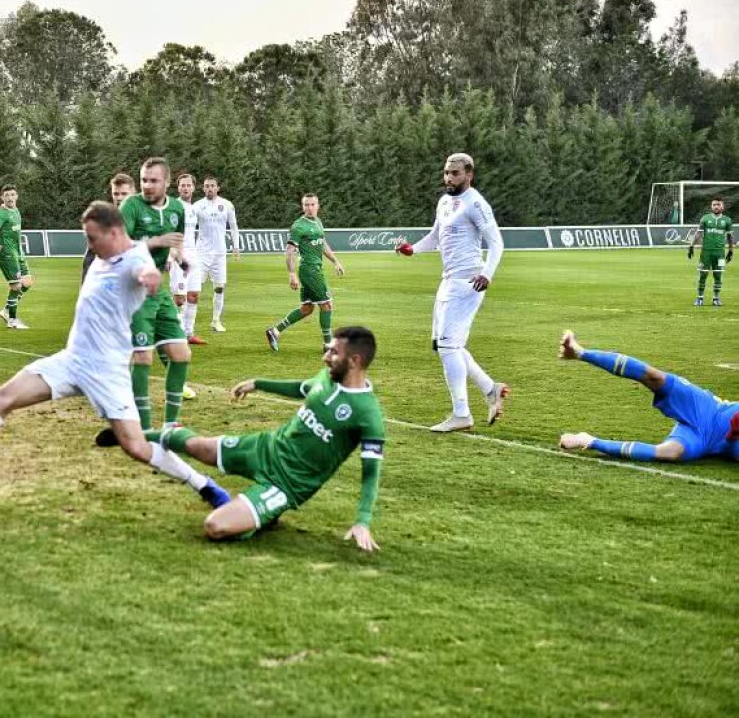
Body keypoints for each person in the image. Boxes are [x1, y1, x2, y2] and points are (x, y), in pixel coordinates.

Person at [0, 201, 231, 508]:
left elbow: (144, 270)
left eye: (93, 237)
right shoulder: (109, 255)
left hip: (106, 372)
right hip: (71, 361)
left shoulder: (135, 260)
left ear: (114, 233)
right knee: (3, 398)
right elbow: (147, 246)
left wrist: (151, 278)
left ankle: (204, 485)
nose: (89, 244)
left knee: (137, 447)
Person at [98, 326, 384, 550]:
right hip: (264, 448)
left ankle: (262, 517)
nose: (326, 357)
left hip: (285, 484)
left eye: (333, 353)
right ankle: (138, 435)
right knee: (196, 445)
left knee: (215, 526)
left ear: (355, 361)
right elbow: (302, 388)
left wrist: (363, 522)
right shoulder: (327, 377)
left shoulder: (367, 414)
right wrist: (258, 384)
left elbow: (370, 473)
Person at [395, 153, 508, 432]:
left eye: (454, 173)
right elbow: (435, 236)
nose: (448, 178)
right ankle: (490, 388)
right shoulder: (445, 202)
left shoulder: (477, 204)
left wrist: (487, 274)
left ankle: (462, 413)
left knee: (448, 346)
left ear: (469, 174)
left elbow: (497, 243)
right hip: (448, 281)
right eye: (446, 173)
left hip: (468, 282)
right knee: (447, 346)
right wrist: (412, 249)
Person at [557, 331, 738, 462]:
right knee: (655, 377)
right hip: (708, 409)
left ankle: (587, 440)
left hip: (705, 440)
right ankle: (579, 352)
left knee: (670, 453)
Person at [119, 157, 194, 430]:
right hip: (134, 290)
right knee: (143, 356)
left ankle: (170, 425)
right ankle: (144, 428)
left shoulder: (177, 208)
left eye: (154, 180)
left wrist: (179, 257)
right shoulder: (131, 206)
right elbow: (119, 246)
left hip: (159, 290)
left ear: (167, 182)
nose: (147, 186)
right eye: (144, 180)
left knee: (181, 354)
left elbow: (176, 239)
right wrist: (156, 242)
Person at [265, 193, 345, 353]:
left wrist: (335, 261)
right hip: (309, 271)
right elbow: (289, 252)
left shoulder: (318, 222)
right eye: (306, 205)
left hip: (314, 269)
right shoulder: (298, 226)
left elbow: (322, 244)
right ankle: (329, 345)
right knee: (327, 305)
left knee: (307, 308)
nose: (309, 208)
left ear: (318, 206)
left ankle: (275, 331)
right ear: (302, 207)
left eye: (312, 204)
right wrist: (291, 273)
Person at [191, 175, 241, 333]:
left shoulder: (227, 205)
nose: (209, 188)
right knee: (194, 288)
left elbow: (233, 227)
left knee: (219, 288)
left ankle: (215, 321)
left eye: (212, 185)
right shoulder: (197, 206)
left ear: (217, 188)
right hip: (201, 254)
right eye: (206, 186)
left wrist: (236, 246)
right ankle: (186, 321)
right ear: (203, 188)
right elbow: (190, 228)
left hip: (220, 254)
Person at [169, 172, 205, 345]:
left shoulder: (194, 209)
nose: (185, 188)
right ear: (178, 188)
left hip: (194, 254)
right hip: (178, 255)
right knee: (179, 299)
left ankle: (189, 333)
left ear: (193, 187)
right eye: (182, 185)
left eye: (188, 185)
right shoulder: (173, 206)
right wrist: (171, 256)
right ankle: (175, 332)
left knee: (193, 296)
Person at [0, 185, 33, 329]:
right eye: (7, 195)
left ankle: (6, 310)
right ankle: (12, 320)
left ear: (17, 196)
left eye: (12, 194)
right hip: (7, 253)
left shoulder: (16, 211)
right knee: (16, 286)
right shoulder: (0, 213)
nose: (10, 197)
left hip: (18, 252)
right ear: (2, 197)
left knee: (27, 283)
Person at [81, 173, 136, 282]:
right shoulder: (103, 220)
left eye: (124, 194)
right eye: (116, 194)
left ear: (133, 192)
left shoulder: (144, 218)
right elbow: (89, 259)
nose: (119, 198)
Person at [687, 197, 734, 307]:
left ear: (722, 206)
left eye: (718, 204)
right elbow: (698, 234)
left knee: (718, 275)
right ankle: (699, 298)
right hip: (706, 252)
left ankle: (716, 298)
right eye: (714, 205)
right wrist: (691, 246)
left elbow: (730, 236)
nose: (716, 206)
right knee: (702, 274)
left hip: (720, 254)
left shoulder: (727, 220)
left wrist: (731, 251)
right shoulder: (705, 218)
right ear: (711, 206)